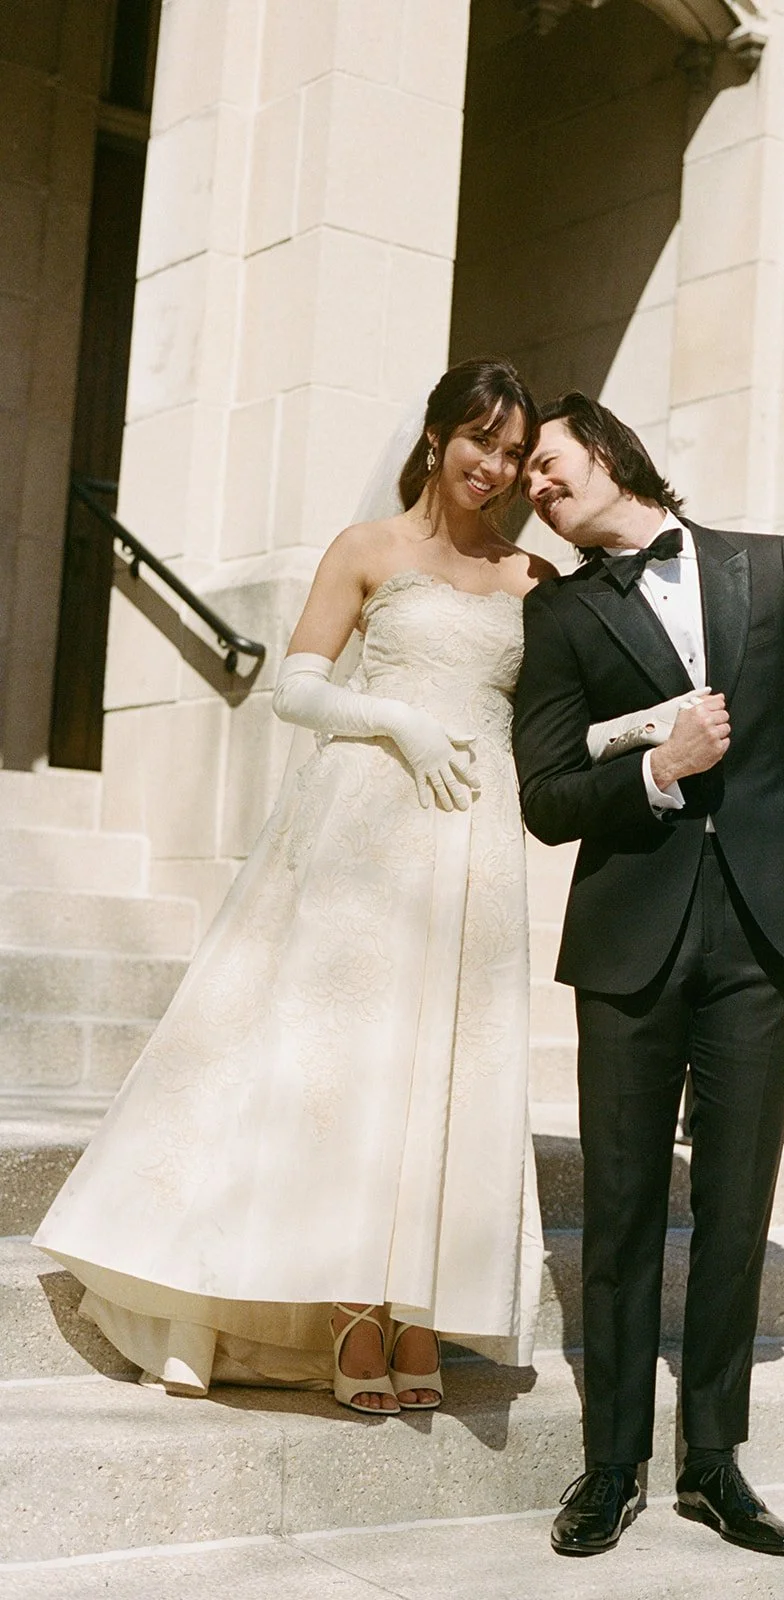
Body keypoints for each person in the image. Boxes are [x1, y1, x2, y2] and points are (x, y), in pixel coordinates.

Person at [35, 358, 553, 1415]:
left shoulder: (529, 578)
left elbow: (557, 715)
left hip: (476, 843)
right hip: (368, 821)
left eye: (511, 451)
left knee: (450, 1065)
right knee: (350, 1063)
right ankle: (351, 1305)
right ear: (433, 436)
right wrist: (396, 718)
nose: (493, 468)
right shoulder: (367, 551)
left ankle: (420, 1308)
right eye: (478, 441)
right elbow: (297, 688)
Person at [513, 393, 784, 1557]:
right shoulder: (559, 617)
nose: (533, 485)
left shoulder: (772, 569)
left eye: (548, 463)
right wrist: (656, 769)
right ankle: (610, 1465)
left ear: (607, 453)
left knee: (733, 1205)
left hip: (770, 940)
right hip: (628, 942)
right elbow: (547, 795)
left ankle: (712, 1463)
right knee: (617, 1209)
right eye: (524, 477)